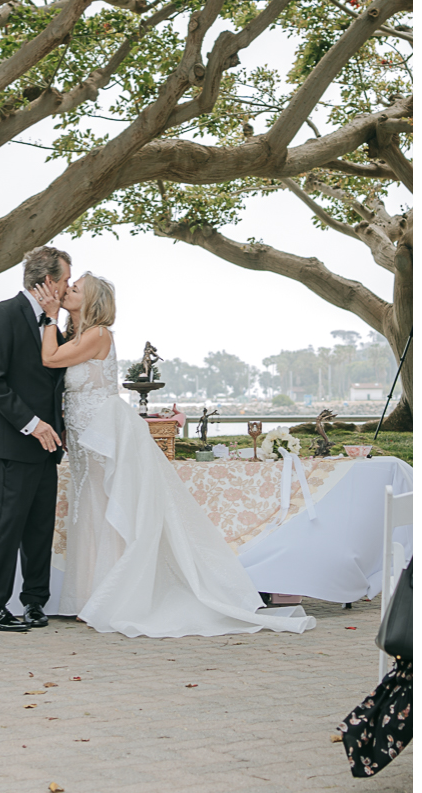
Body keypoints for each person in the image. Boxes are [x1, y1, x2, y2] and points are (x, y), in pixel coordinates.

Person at [35, 273, 316, 638]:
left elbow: (50, 358)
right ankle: (90, 597)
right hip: (86, 436)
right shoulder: (81, 334)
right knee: (89, 509)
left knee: (108, 509)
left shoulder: (98, 334)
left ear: (91, 302)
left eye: (75, 289)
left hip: (104, 433)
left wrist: (48, 316)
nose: (67, 291)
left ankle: (113, 597)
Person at [0, 245, 71, 632]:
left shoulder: (51, 325)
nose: (66, 288)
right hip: (12, 442)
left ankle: (34, 602)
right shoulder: (2, 314)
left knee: (39, 528)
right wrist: (33, 424)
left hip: (47, 448)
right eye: (64, 281)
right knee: (6, 525)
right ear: (48, 281)